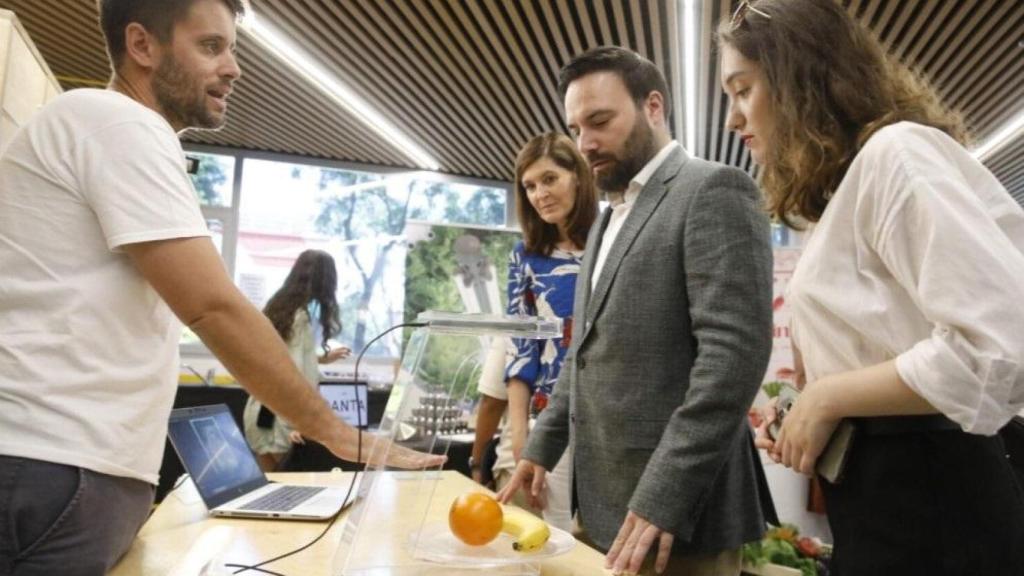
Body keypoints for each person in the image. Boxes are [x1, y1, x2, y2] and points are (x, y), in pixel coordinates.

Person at [0, 2, 442, 574]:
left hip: (68, 467)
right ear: (142, 46)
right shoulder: (115, 122)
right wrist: (335, 432)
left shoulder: (111, 127)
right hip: (51, 464)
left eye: (232, 48)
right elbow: (212, 306)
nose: (233, 67)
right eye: (211, 46)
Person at [718, 1, 1024, 574]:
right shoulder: (845, 191)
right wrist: (809, 409)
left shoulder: (897, 153)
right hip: (887, 493)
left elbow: (1000, 344)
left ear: (797, 78)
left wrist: (828, 398)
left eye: (742, 90)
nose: (733, 119)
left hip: (936, 494)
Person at [498, 47, 773, 576]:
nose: (586, 144)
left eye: (599, 122)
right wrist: (539, 448)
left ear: (653, 106)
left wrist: (662, 496)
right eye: (576, 128)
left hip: (677, 521)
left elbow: (731, 362)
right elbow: (584, 353)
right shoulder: (607, 219)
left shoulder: (713, 189)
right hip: (600, 507)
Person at [493, 132, 599, 532]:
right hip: (551, 418)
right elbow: (522, 350)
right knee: (561, 534)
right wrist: (522, 435)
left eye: (550, 179)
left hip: (610, 417)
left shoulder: (614, 241)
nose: (540, 194)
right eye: (531, 186)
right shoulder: (526, 256)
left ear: (578, 176)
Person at [243, 249, 352, 471]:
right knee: (286, 489)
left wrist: (320, 359)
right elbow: (292, 374)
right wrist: (302, 422)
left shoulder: (279, 309)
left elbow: (282, 358)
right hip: (279, 421)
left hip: (262, 413)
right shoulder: (300, 318)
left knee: (271, 488)